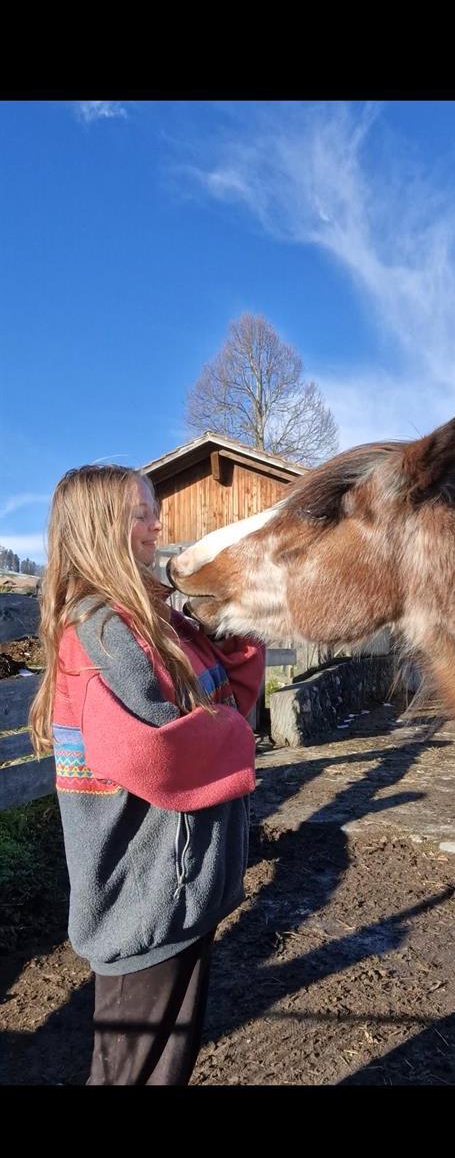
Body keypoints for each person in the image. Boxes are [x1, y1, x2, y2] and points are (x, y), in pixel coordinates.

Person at [29, 464, 265, 1085]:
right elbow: (155, 756)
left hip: (182, 892)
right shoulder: (102, 633)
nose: (156, 524)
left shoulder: (162, 624)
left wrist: (227, 628)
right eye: (141, 512)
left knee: (166, 1068)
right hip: (144, 906)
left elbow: (233, 696)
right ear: (101, 527)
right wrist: (234, 734)